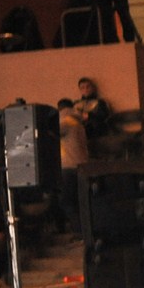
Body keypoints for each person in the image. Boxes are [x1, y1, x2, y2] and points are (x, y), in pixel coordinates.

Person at [56, 100, 88, 237]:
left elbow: (51, 131)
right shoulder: (78, 121)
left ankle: (79, 231)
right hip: (82, 165)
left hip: (68, 167)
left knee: (66, 201)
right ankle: (85, 230)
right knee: (80, 201)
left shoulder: (65, 120)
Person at [73, 78, 114, 143]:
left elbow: (104, 116)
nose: (86, 90)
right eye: (83, 88)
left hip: (93, 130)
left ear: (92, 88)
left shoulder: (100, 102)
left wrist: (89, 115)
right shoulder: (75, 103)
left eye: (88, 87)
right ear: (80, 90)